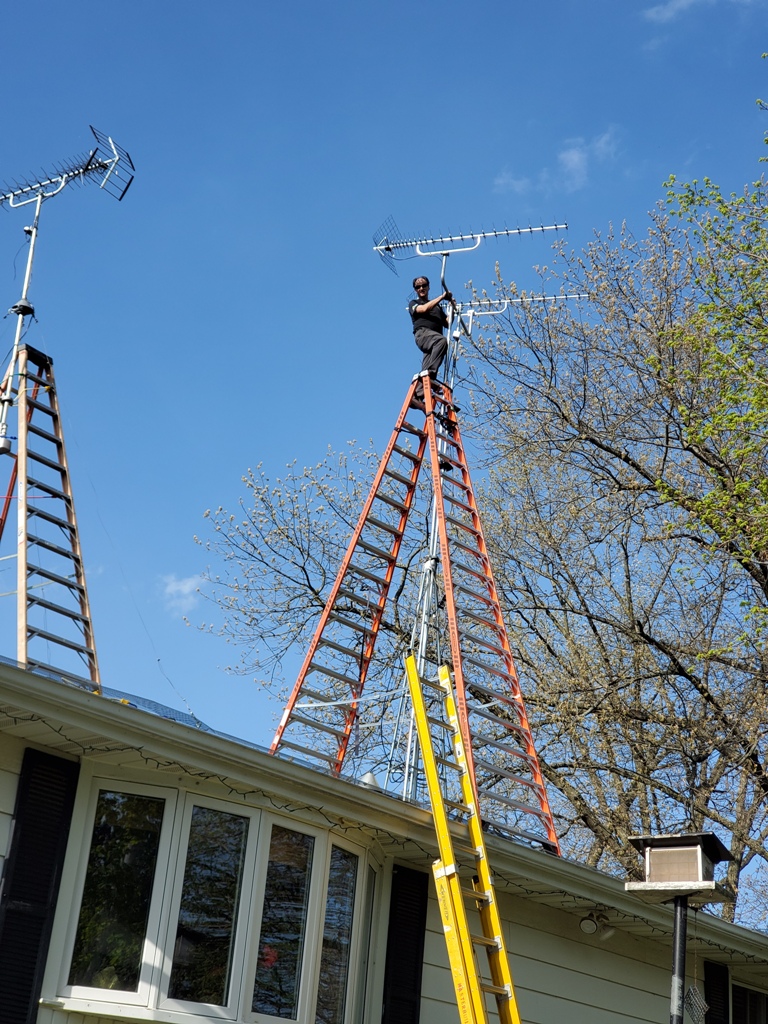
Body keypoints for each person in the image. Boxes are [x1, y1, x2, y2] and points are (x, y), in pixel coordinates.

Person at [408, 276, 453, 404]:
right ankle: (430, 376)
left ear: (428, 287)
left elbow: (447, 323)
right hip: (423, 335)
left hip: (433, 340)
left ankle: (417, 396)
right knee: (442, 341)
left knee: (426, 368)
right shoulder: (414, 303)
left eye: (424, 285)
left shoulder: (437, 307)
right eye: (418, 287)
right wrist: (442, 297)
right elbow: (423, 309)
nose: (421, 288)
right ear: (415, 290)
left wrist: (452, 308)